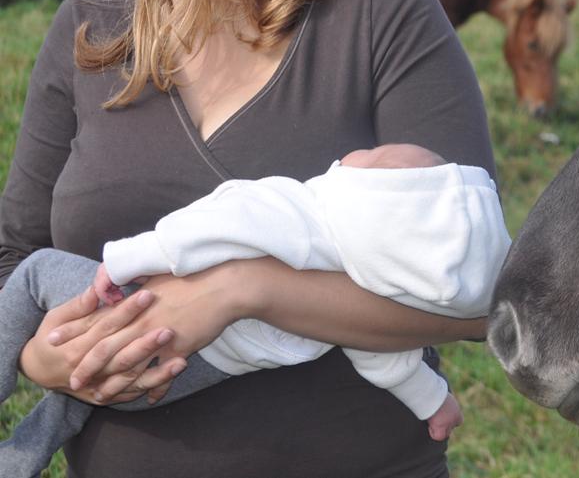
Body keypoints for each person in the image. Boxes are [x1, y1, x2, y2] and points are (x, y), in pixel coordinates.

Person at [0, 0, 496, 475]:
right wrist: (43, 360)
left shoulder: (383, 8)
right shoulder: (90, 23)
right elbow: (17, 255)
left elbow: (472, 290)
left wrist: (243, 289)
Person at [0, 143, 511, 477]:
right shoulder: (364, 287)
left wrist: (124, 260)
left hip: (139, 313)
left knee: (38, 272)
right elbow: (389, 359)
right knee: (82, 394)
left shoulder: (304, 215)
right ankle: (19, 459)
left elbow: (217, 222)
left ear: (376, 204)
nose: (367, 151)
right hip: (183, 375)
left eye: (378, 159)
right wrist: (434, 402)